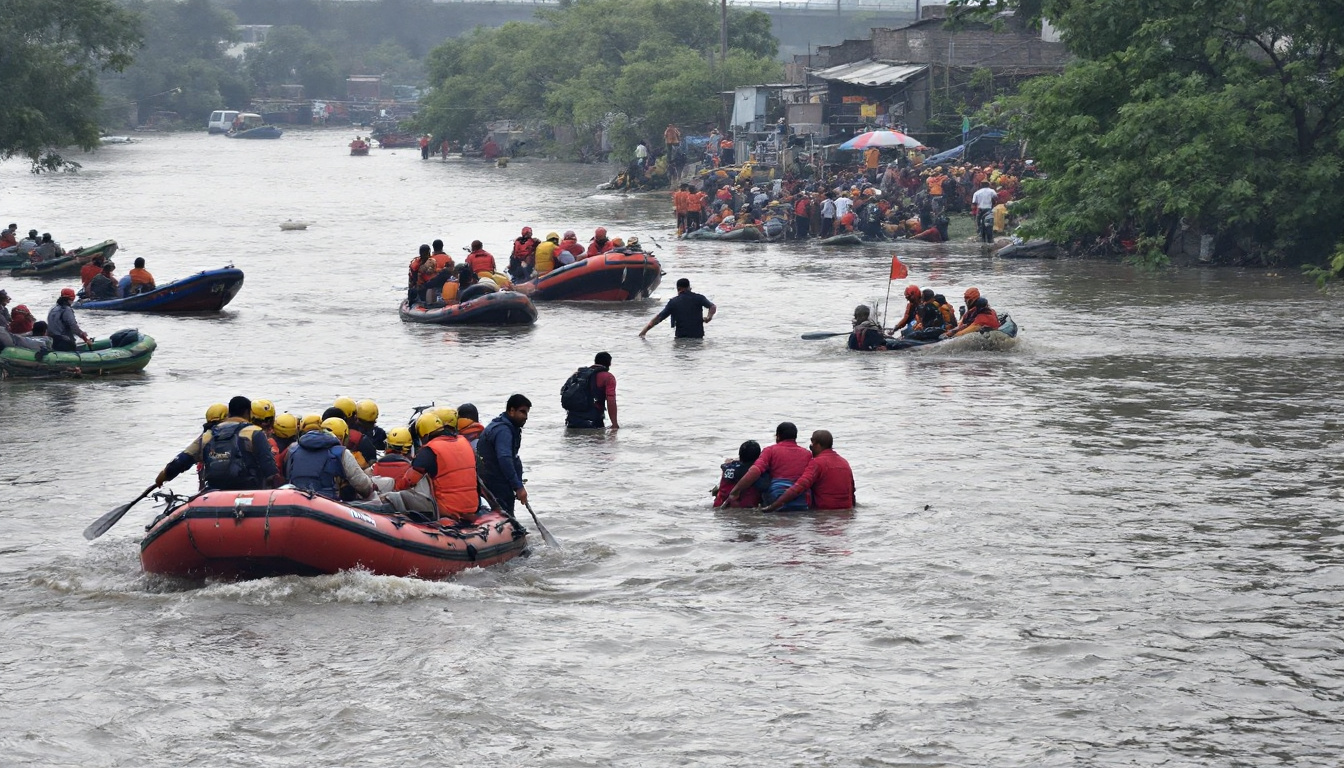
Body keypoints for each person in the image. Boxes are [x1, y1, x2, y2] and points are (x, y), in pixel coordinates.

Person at [156, 396, 281, 491]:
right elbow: (269, 469)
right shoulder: (255, 433)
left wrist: (163, 477)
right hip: (249, 490)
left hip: (215, 492)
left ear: (229, 413)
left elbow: (183, 459)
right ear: (248, 413)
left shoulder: (209, 434)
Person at [396, 411, 498, 524]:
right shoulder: (464, 442)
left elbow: (409, 481)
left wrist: (394, 488)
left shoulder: (429, 451)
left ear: (425, 435)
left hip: (448, 510)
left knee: (396, 496)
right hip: (473, 507)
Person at [724, 422, 814, 509]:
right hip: (803, 502)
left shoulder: (770, 451)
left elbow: (755, 471)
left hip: (775, 499)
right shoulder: (807, 454)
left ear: (778, 436)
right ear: (795, 437)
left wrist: (735, 491)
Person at [762, 430, 856, 512]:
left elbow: (800, 486)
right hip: (846, 511)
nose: (811, 448)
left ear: (817, 445)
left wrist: (774, 506)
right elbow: (852, 491)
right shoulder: (844, 462)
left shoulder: (817, 463)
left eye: (812, 445)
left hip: (824, 511)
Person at [285, 417, 375, 502]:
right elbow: (363, 485)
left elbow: (287, 475)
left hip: (296, 499)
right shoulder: (342, 453)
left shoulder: (293, 449)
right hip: (327, 502)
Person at [477, 394, 531, 514]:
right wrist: (518, 487)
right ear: (511, 411)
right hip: (496, 484)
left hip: (491, 483)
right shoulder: (503, 431)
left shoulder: (505, 426)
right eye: (522, 412)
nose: (526, 417)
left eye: (527, 413)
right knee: (505, 516)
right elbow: (505, 459)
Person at [639, 278, 716, 339]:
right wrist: (709, 317)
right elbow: (712, 307)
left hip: (681, 337)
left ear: (678, 289)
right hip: (698, 337)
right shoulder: (699, 298)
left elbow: (659, 318)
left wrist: (644, 332)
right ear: (689, 287)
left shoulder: (673, 302)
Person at [563, 351, 619, 429]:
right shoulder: (608, 377)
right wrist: (614, 424)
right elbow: (611, 400)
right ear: (609, 363)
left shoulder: (579, 374)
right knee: (594, 436)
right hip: (593, 420)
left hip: (572, 420)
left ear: (595, 361)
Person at [713, 440, 764, 508]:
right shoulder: (755, 471)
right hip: (744, 507)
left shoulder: (727, 467)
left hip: (720, 504)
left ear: (740, 455)